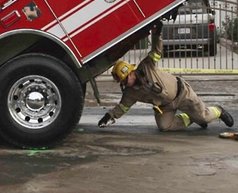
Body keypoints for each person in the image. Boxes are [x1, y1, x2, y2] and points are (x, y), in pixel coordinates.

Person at [99, 20, 233, 131]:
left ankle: (218, 110)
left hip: (182, 94)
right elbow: (122, 107)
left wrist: (157, 34)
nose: (124, 83)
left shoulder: (146, 66)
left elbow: (156, 51)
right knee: (164, 127)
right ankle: (191, 118)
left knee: (204, 117)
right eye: (122, 82)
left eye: (124, 79)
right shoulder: (129, 93)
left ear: (131, 73)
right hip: (165, 106)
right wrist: (109, 116)